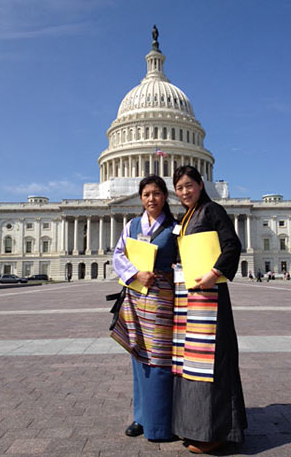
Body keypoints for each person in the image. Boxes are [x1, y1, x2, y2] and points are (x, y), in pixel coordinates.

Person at [172, 166, 247, 454]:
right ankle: (197, 426)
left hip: (211, 294)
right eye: (179, 188)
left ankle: (218, 431)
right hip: (191, 296)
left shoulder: (213, 210)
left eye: (189, 185)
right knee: (193, 362)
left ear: (201, 184)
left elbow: (232, 246)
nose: (185, 191)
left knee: (213, 360)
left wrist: (215, 272)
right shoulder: (185, 217)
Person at [111, 175, 177, 441]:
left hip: (162, 299)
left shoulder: (175, 227)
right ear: (141, 197)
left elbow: (185, 261)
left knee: (160, 359)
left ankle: (160, 423)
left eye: (157, 193)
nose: (152, 199)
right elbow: (118, 255)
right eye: (147, 194)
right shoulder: (132, 225)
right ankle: (141, 417)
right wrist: (136, 274)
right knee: (138, 354)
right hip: (136, 297)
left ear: (165, 197)